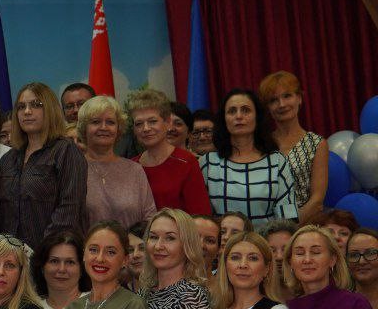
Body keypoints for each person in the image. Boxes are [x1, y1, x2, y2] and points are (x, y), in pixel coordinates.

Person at [0, 83, 88, 250]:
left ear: (50, 109)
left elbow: (69, 210)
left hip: (52, 254)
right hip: (10, 256)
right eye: (21, 107)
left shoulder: (66, 151)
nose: (27, 111)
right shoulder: (8, 159)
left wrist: (42, 253)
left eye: (36, 105)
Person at [201, 89, 297, 225]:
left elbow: (288, 218)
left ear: (257, 117)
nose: (239, 116)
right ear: (224, 119)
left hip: (266, 238)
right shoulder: (208, 163)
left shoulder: (276, 161)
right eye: (232, 111)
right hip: (223, 238)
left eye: (245, 110)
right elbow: (201, 218)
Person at [125, 89, 210, 216]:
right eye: (139, 124)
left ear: (167, 122)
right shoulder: (132, 166)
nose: (146, 128)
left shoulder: (186, 162)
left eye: (152, 121)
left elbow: (201, 216)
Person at [79, 96, 156, 228]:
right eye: (96, 122)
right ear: (84, 128)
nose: (104, 127)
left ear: (118, 129)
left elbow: (150, 218)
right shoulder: (73, 170)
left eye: (110, 122)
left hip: (132, 241)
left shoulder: (135, 170)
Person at [260, 71, 327, 222]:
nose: (282, 104)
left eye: (287, 96)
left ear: (299, 98)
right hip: (266, 226)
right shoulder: (262, 143)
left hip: (304, 227)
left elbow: (317, 201)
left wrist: (288, 228)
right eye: (273, 100)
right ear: (268, 107)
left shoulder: (316, 143)